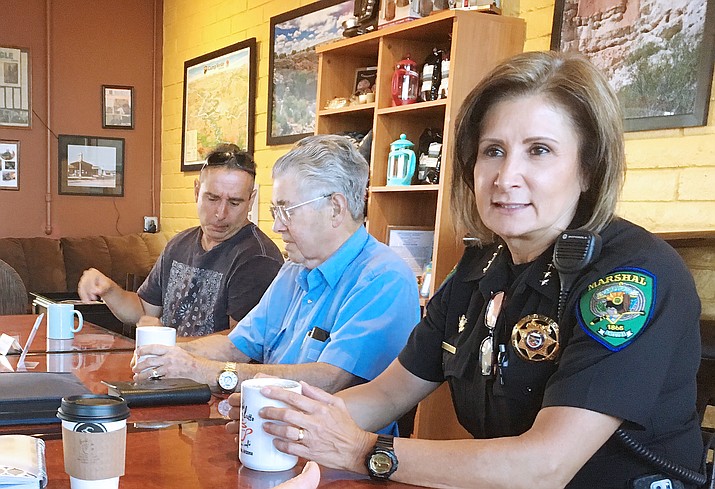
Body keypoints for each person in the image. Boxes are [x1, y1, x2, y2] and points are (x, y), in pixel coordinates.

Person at [236, 51, 705, 489]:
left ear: (588, 169)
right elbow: (387, 395)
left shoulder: (632, 277)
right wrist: (289, 415)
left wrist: (366, 452)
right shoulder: (481, 265)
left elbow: (546, 465)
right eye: (493, 151)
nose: (506, 177)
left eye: (539, 150)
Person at [131, 135, 420, 401]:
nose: (277, 226)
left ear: (335, 208)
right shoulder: (295, 269)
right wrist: (164, 354)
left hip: (328, 450)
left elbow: (329, 380)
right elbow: (236, 346)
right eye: (275, 211)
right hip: (269, 427)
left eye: (286, 210)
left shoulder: (383, 278)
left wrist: (204, 372)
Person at [77, 145, 284, 336]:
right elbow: (143, 309)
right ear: (196, 191)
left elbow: (239, 343)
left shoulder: (257, 258)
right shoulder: (180, 243)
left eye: (234, 202)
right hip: (167, 369)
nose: (221, 213)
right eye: (212, 198)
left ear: (251, 200)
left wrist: (165, 340)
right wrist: (108, 290)